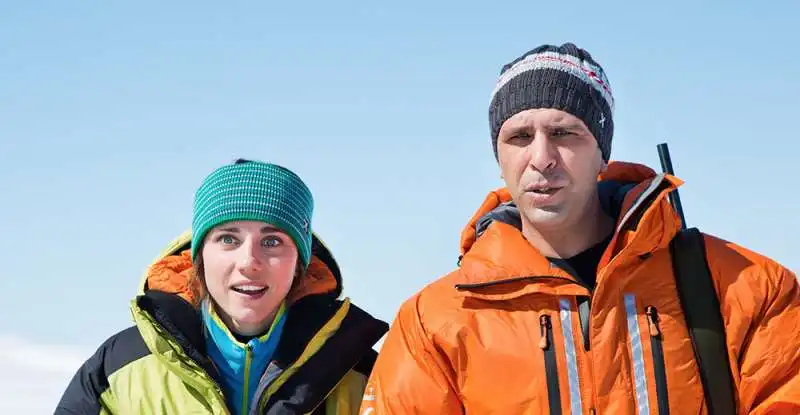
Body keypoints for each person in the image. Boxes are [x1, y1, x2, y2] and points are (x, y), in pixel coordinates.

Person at [360, 43, 800, 414]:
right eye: (518, 137)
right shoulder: (435, 321)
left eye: (565, 134)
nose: (542, 157)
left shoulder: (745, 288)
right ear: (499, 160)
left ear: (602, 153)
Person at [57, 159, 388, 414]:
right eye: (228, 239)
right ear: (200, 255)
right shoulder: (120, 369)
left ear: (300, 263)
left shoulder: (359, 376)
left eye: (272, 241)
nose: (249, 262)